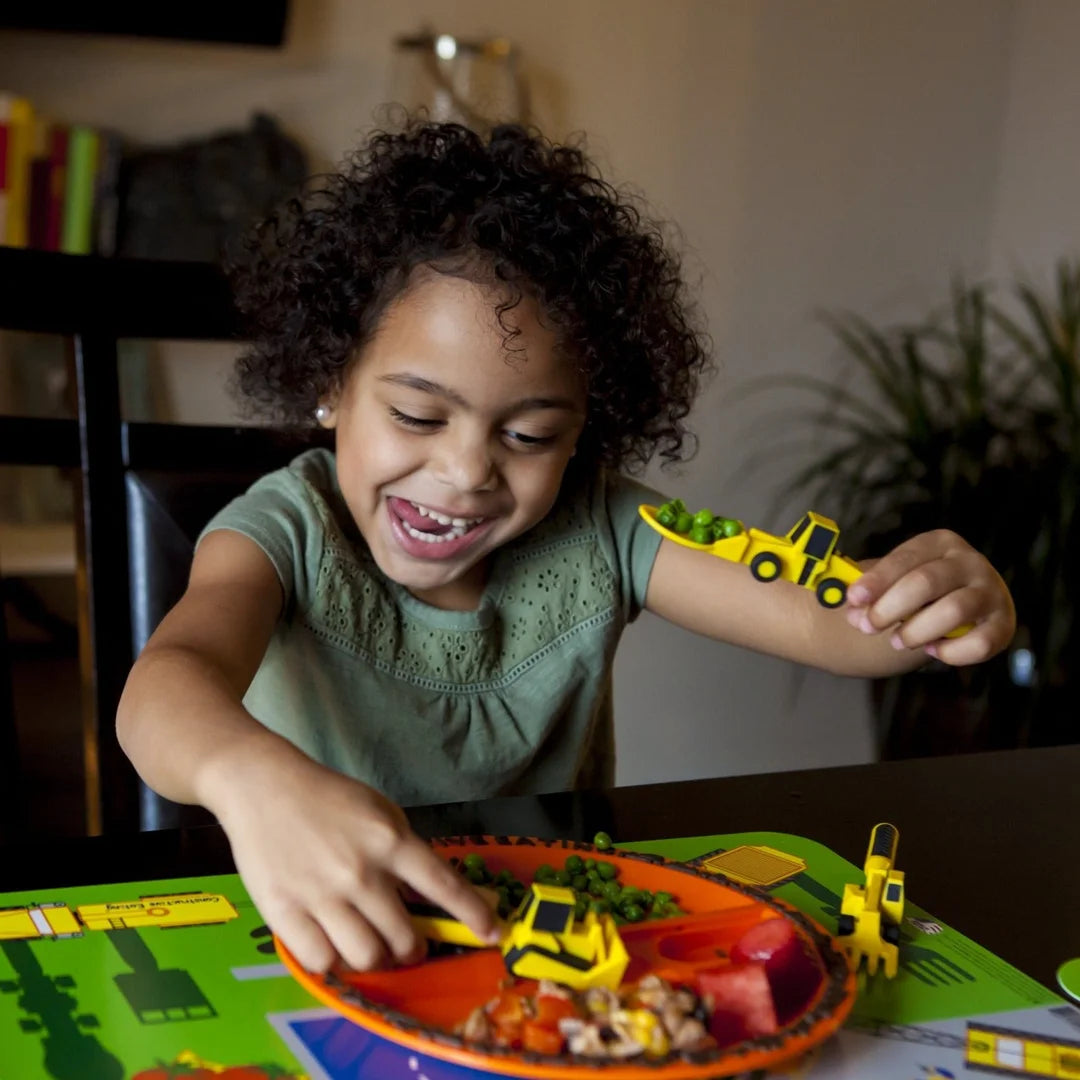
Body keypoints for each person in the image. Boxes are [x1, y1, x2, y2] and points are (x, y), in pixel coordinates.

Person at [116, 121, 1015, 976]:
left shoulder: (607, 532)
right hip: (325, 935)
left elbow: (830, 621)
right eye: (417, 415)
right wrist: (254, 784)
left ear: (588, 432)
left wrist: (928, 603)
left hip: (551, 952)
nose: (466, 471)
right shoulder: (286, 529)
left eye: (532, 435)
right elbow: (164, 688)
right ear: (328, 386)